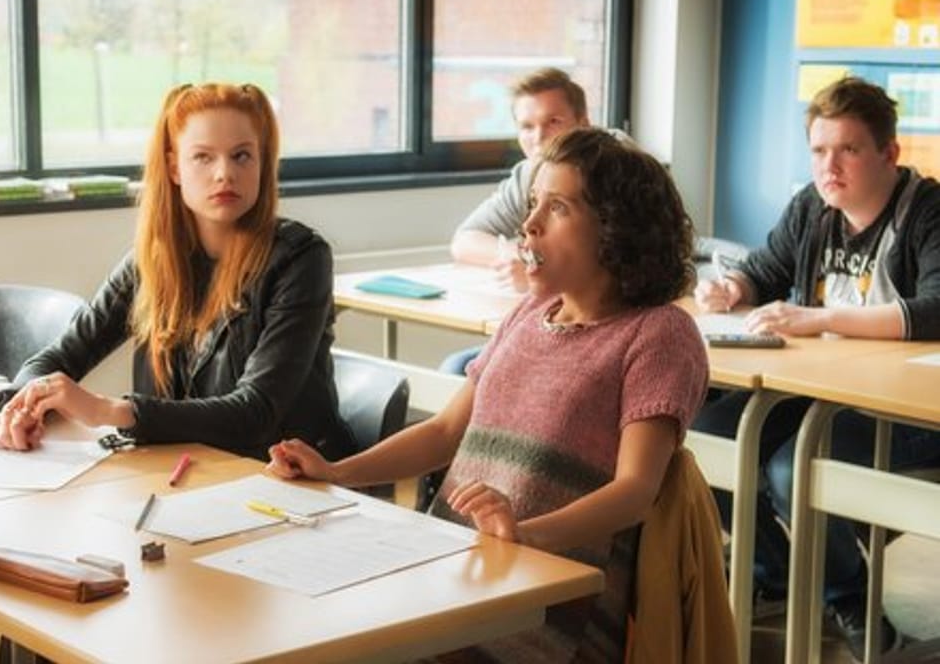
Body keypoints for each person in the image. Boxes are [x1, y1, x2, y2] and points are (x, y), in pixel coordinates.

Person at [268, 128, 709, 662]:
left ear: (617, 229)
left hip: (550, 607)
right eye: (531, 204)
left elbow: (636, 489)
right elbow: (444, 432)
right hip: (461, 571)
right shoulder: (528, 314)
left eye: (558, 207)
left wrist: (524, 535)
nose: (529, 224)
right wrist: (336, 472)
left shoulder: (658, 334)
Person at [692, 75, 940, 658]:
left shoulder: (928, 210)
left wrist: (817, 318)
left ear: (889, 154)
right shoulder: (812, 205)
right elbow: (766, 268)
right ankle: (771, 569)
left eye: (849, 150)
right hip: (818, 392)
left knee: (788, 470)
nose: (830, 166)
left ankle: (847, 594)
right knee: (702, 438)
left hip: (903, 409)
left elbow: (937, 308)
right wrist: (731, 287)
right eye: (820, 150)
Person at [0, 82, 357, 462]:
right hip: (187, 472)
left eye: (242, 156)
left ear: (263, 163)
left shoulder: (301, 259)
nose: (225, 173)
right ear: (175, 167)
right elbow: (56, 359)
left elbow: (254, 412)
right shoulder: (151, 261)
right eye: (203, 157)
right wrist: (21, 407)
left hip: (291, 479)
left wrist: (106, 410)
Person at [439, 67, 593, 374]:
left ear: (584, 123)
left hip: (600, 328)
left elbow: (625, 262)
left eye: (553, 122)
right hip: (551, 319)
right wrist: (520, 255)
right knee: (456, 369)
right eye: (527, 126)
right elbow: (465, 240)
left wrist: (543, 271)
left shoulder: (616, 166)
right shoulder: (529, 173)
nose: (539, 138)